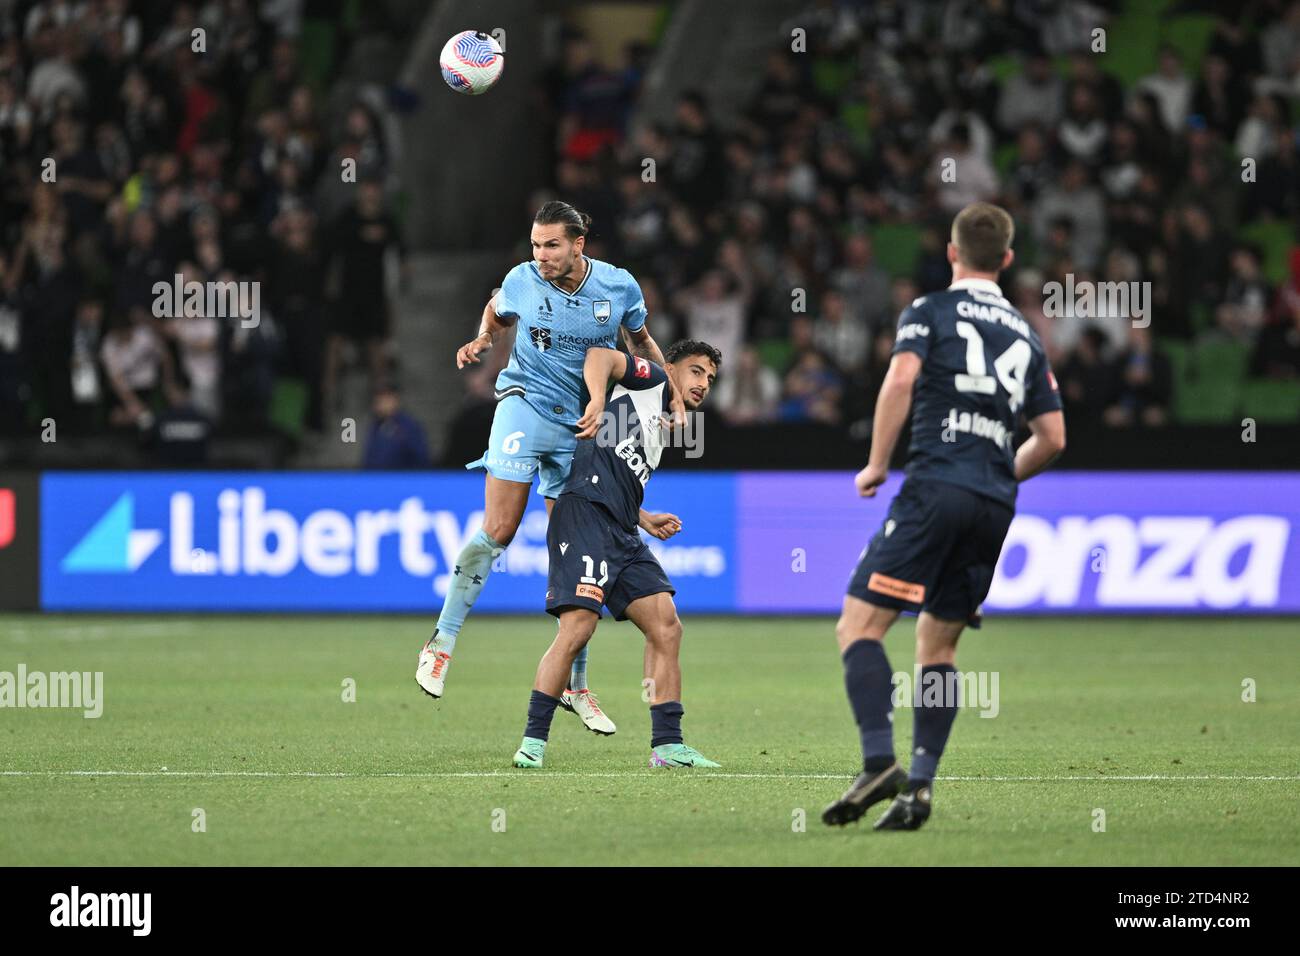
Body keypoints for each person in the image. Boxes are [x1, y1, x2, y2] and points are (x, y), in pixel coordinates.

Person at [822, 203, 1066, 831]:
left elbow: (901, 379)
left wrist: (876, 463)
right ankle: (920, 787)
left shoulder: (930, 311)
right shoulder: (1027, 334)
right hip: (993, 501)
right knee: (938, 646)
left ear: (952, 253)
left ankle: (879, 761)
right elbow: (1054, 438)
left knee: (859, 627)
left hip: (934, 487)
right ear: (1007, 260)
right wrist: (996, 474)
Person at [416, 201, 684, 737]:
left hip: (580, 427)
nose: (541, 256)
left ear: (579, 244)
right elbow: (497, 307)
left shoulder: (618, 287)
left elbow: (640, 343)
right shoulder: (522, 279)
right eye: (536, 245)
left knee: (581, 553)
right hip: (524, 404)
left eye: (552, 245)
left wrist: (672, 389)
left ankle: (575, 684)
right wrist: (485, 337)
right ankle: (442, 642)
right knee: (500, 528)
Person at [511, 340, 721, 769]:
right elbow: (598, 356)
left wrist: (643, 518)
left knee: (666, 626)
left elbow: (617, 466)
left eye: (711, 379)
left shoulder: (661, 425)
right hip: (584, 515)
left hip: (622, 529)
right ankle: (532, 743)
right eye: (696, 371)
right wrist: (598, 397)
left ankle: (667, 746)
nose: (703, 384)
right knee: (578, 628)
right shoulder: (652, 380)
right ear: (672, 367)